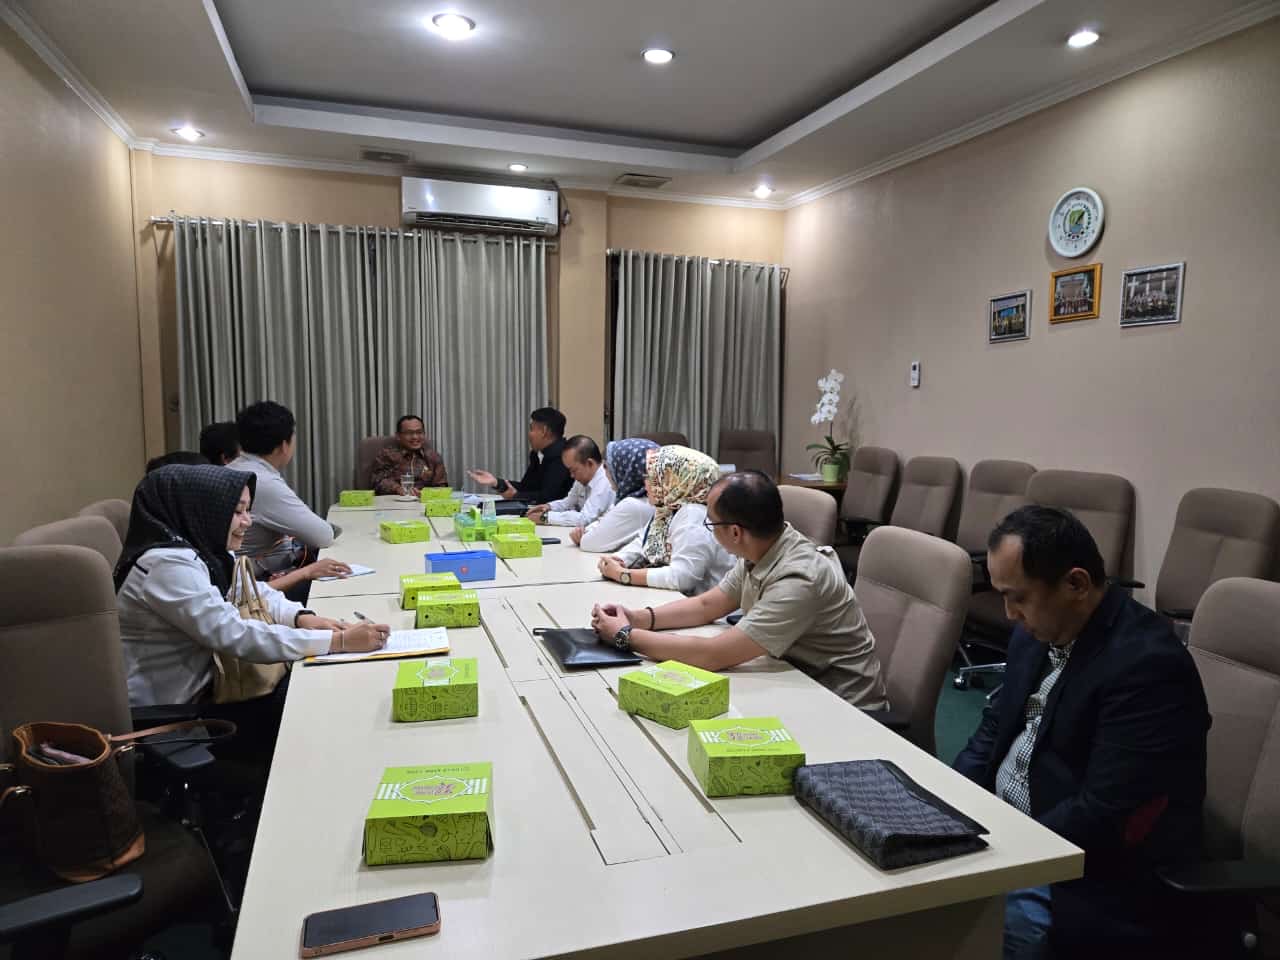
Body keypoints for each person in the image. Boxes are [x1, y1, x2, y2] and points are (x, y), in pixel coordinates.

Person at [952, 506, 1210, 959]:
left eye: (1019, 598)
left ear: (1076, 584)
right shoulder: (1037, 632)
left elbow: (1101, 813)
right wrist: (948, 805)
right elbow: (993, 730)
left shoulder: (1147, 667)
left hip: (1081, 873)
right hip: (1007, 832)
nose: (1009, 614)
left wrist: (1003, 851)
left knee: (957, 926)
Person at [590, 471, 888, 710]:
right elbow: (709, 604)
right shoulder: (763, 548)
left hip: (842, 706)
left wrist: (625, 636)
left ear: (735, 532)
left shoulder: (800, 579)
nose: (709, 528)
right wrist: (637, 617)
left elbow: (714, 655)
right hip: (792, 676)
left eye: (711, 523)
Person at [114, 464, 389, 712]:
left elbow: (251, 590)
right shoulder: (166, 565)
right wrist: (337, 642)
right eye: (236, 512)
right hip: (178, 713)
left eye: (248, 510)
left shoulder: (201, 550)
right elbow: (236, 634)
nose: (248, 521)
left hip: (217, 685)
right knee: (313, 699)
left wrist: (302, 617)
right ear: (202, 509)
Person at [595, 445, 733, 595]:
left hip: (708, 613)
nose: (645, 482)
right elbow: (643, 542)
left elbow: (683, 578)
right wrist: (618, 559)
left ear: (676, 480)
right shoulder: (668, 508)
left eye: (652, 476)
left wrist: (623, 575)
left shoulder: (694, 514)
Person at [227, 401, 339, 582]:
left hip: (246, 574)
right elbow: (323, 536)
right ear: (284, 445)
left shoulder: (234, 469)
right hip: (254, 582)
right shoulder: (262, 482)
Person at [467, 407, 572, 504]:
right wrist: (496, 482)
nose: (529, 434)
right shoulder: (536, 454)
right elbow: (526, 487)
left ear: (544, 431)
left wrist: (516, 496)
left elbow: (550, 497)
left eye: (531, 429)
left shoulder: (563, 455)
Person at [572, 438, 658, 552]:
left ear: (626, 468)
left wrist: (582, 537)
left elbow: (590, 543)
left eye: (607, 467)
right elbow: (602, 522)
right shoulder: (645, 499)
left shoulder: (634, 505)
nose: (605, 473)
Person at [527, 435, 613, 527]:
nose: (572, 475)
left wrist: (545, 517)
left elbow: (585, 519)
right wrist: (549, 506)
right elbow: (568, 502)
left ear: (589, 463)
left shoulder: (604, 481)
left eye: (574, 470)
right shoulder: (582, 478)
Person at [370, 415, 448, 495]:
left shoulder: (433, 457)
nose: (415, 437)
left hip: (424, 503)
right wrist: (398, 489)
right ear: (398, 436)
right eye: (409, 433)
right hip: (395, 501)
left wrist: (427, 493)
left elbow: (441, 486)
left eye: (419, 432)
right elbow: (378, 481)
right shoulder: (387, 455)